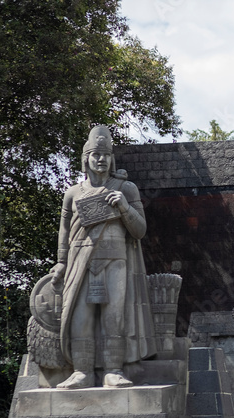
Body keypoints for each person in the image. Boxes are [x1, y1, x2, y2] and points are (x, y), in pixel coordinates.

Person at [50, 125, 156, 389]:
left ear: (112, 158)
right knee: (80, 319)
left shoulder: (126, 189)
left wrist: (124, 207)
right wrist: (61, 262)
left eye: (106, 155)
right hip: (80, 261)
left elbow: (140, 231)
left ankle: (113, 371)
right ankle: (82, 372)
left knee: (113, 317)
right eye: (96, 154)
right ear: (85, 158)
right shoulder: (72, 193)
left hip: (115, 260)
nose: (101, 159)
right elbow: (65, 230)